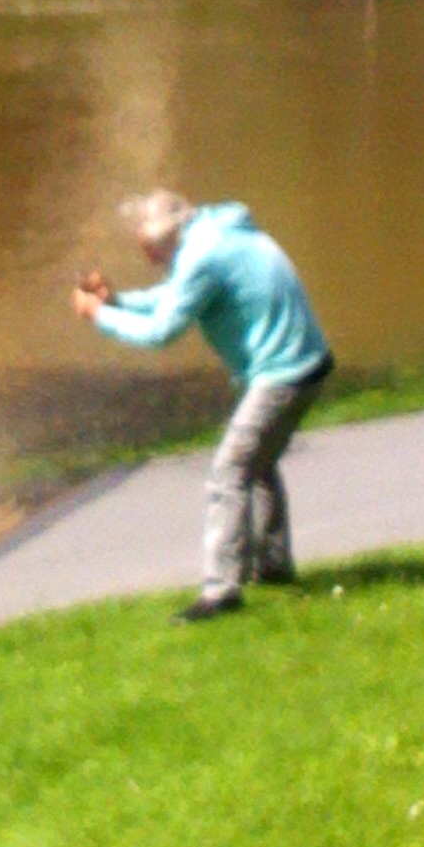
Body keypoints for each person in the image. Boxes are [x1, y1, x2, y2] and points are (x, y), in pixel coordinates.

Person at [72, 190, 333, 622]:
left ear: (167, 237)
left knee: (228, 472)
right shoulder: (214, 233)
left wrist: (98, 317)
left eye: (150, 250)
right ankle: (272, 567)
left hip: (284, 373)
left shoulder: (203, 257)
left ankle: (220, 591)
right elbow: (173, 295)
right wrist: (115, 302)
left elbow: (160, 332)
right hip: (308, 363)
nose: (151, 259)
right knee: (257, 464)